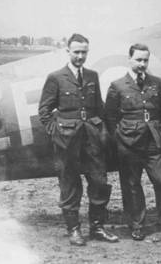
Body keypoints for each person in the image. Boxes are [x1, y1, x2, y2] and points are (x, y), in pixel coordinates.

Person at [38, 33, 118, 246]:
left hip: (92, 138)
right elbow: (44, 111)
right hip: (67, 140)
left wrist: (103, 131)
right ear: (68, 52)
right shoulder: (56, 77)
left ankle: (97, 228)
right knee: (70, 183)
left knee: (99, 182)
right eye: (77, 52)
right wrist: (57, 132)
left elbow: (99, 107)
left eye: (84, 52)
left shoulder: (92, 76)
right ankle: (74, 229)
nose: (80, 56)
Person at [104, 43, 161, 242]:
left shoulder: (157, 83)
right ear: (129, 60)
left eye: (145, 60)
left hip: (154, 141)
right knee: (132, 185)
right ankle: (137, 225)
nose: (142, 64)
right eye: (138, 60)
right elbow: (110, 117)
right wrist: (119, 138)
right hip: (128, 143)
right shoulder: (117, 85)